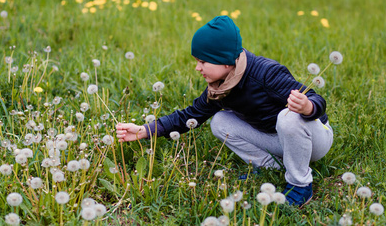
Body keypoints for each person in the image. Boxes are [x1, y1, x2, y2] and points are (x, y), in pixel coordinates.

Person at [115, 15, 333, 206]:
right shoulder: (220, 88)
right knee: (219, 121)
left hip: (313, 140)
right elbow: (190, 116)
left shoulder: (266, 73)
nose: (197, 68)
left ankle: (300, 184)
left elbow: (315, 98)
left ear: (226, 61)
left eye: (203, 61)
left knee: (289, 118)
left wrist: (307, 107)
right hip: (277, 141)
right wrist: (145, 130)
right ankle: (269, 166)